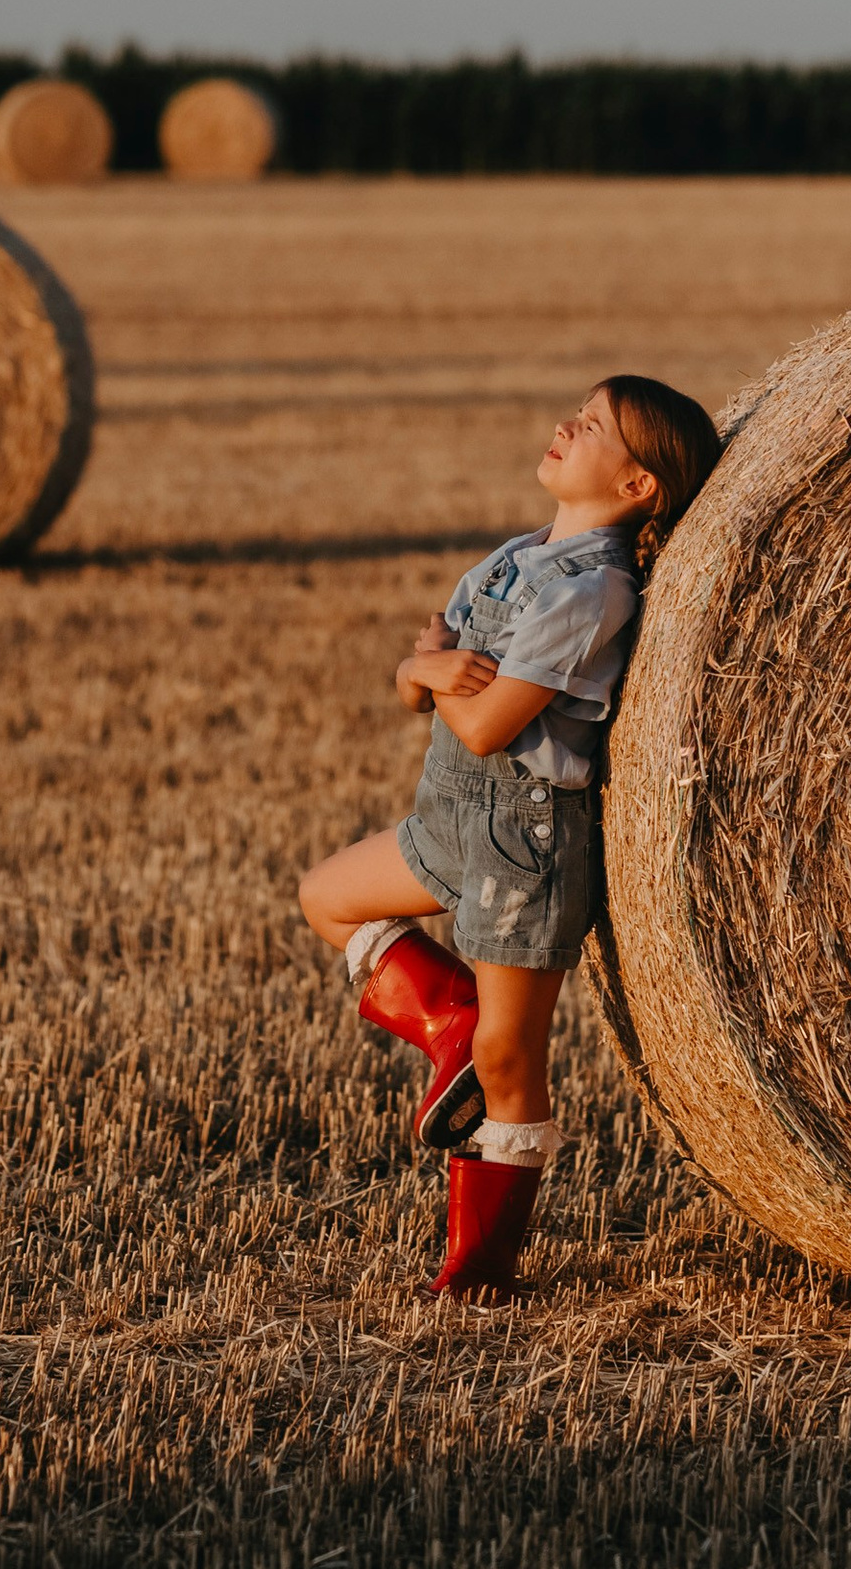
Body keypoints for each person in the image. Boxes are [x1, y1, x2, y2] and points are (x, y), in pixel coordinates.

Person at [297, 374, 722, 1301]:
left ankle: (481, 1269)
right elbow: (424, 686)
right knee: (325, 897)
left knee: (510, 1059)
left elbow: (486, 727)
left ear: (636, 487)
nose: (570, 422)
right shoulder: (514, 556)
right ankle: (446, 1020)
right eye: (583, 409)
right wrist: (430, 668)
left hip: (524, 846)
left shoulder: (594, 592)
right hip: (449, 821)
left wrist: (433, 665)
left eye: (598, 425)